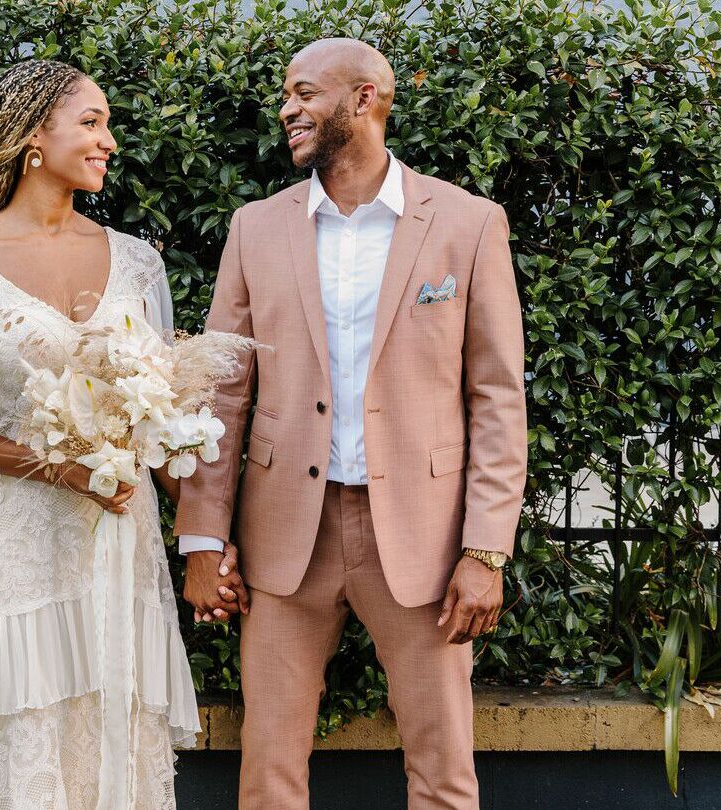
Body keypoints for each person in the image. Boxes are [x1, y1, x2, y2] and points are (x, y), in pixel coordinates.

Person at [176, 39, 527, 809]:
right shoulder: (255, 229)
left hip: (422, 543)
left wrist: (486, 551)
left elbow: (497, 396)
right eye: (285, 96)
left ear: (364, 99)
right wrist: (202, 538)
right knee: (267, 773)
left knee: (442, 773)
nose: (287, 110)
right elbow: (221, 393)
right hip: (283, 540)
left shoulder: (468, 224)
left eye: (304, 93)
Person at [0, 59, 232, 810]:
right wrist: (67, 470)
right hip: (21, 548)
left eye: (107, 124)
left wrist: (206, 535)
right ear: (35, 137)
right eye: (92, 122)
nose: (109, 140)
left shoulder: (138, 262)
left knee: (114, 722)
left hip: (121, 543)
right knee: (26, 726)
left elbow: (164, 424)